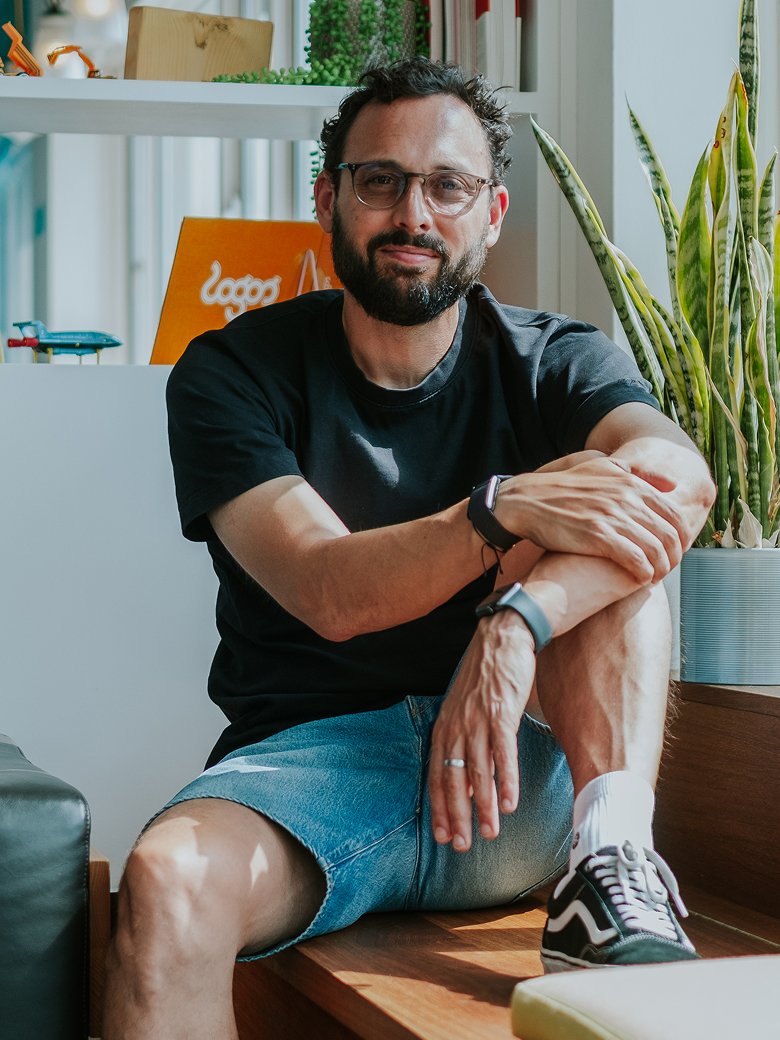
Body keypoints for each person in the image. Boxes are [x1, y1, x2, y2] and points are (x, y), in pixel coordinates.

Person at [103, 57, 715, 1038]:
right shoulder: (233, 373)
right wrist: (504, 510)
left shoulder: (558, 358)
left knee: (620, 523)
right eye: (379, 180)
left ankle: (613, 865)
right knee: (165, 880)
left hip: (527, 772)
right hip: (312, 775)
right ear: (328, 198)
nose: (412, 213)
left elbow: (681, 480)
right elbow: (326, 585)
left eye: (447, 185)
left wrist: (517, 618)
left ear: (494, 208)